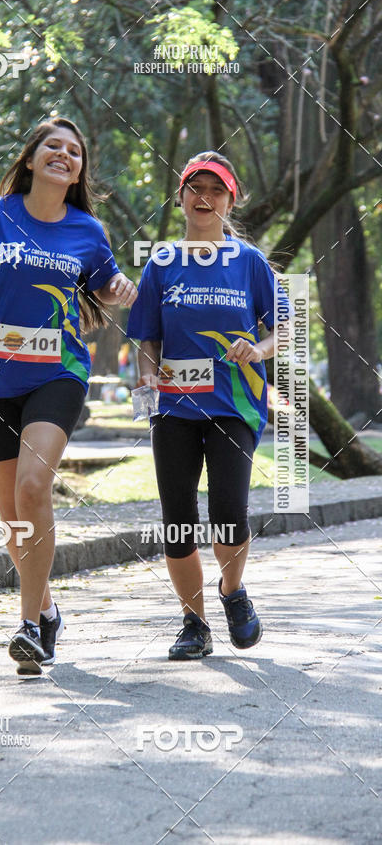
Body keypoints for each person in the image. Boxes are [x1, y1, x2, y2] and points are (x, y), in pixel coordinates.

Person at [0, 117, 136, 675]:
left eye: (75, 151)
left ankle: (29, 629)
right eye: (53, 147)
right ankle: (48, 609)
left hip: (58, 374)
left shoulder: (89, 230)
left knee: (36, 486)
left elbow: (105, 285)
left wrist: (119, 287)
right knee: (14, 519)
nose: (64, 155)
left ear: (78, 169)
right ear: (33, 159)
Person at [127, 151, 289, 660]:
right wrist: (147, 372)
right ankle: (193, 623)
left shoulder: (248, 261)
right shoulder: (161, 263)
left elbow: (283, 327)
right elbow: (146, 336)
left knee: (228, 512)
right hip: (174, 406)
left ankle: (232, 592)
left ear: (229, 200)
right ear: (181, 198)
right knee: (178, 516)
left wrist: (256, 350)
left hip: (234, 404)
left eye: (215, 189)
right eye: (194, 188)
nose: (204, 197)